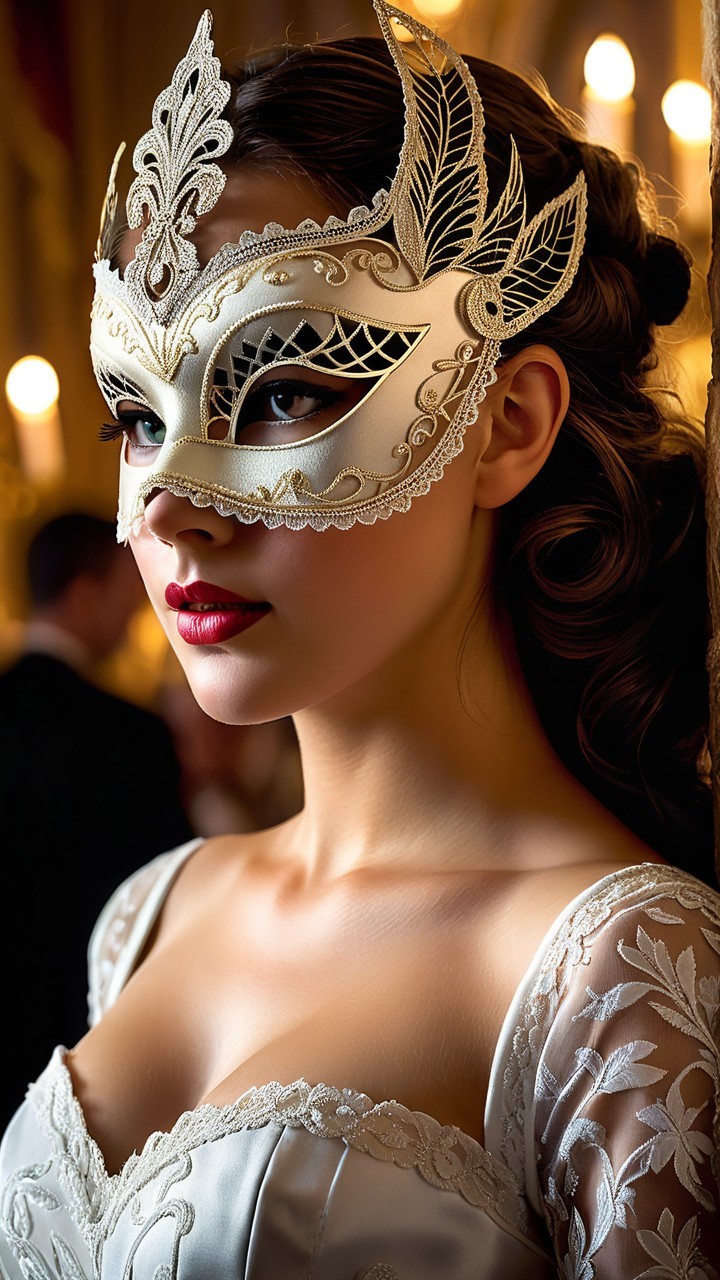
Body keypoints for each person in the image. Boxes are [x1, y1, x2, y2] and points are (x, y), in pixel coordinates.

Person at [0, 3, 718, 1274]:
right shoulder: (147, 917)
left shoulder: (624, 969)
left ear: (508, 420)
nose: (168, 509)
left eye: (280, 388)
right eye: (136, 415)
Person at [0, 511, 195, 1129]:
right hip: (83, 1037)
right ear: (85, 593)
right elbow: (160, 898)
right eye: (124, 593)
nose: (135, 612)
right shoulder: (126, 736)